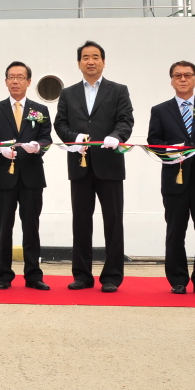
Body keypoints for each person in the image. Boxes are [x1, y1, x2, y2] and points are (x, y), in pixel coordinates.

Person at [53, 41, 134, 293]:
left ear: (103, 61)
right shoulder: (68, 93)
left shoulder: (118, 90)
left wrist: (117, 136)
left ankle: (111, 277)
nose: (91, 61)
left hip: (109, 165)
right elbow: (60, 123)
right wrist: (73, 137)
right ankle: (82, 275)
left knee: (113, 221)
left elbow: (126, 119)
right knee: (81, 222)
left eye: (95, 57)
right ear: (79, 63)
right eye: (86, 57)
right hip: (80, 164)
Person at [147, 61, 195, 296]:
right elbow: (154, 141)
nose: (183, 79)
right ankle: (178, 279)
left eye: (188, 75)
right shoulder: (160, 110)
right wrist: (170, 149)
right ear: (171, 80)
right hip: (175, 178)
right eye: (178, 75)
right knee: (175, 231)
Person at [0, 62, 53, 291]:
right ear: (5, 81)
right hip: (3, 176)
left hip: (31, 176)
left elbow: (46, 139)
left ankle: (33, 275)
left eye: (20, 77)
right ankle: (3, 275)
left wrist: (37, 147)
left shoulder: (39, 110)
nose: (15, 81)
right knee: (4, 227)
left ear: (29, 82)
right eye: (11, 77)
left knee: (31, 226)